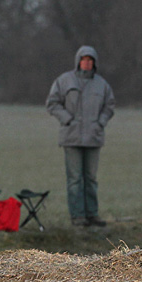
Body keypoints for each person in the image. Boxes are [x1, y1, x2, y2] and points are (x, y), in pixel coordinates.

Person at [46, 45, 116, 227]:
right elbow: (52, 103)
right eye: (84, 59)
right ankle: (77, 216)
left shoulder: (102, 84)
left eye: (90, 60)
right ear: (78, 61)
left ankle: (92, 214)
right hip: (71, 137)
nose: (87, 63)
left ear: (94, 63)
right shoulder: (64, 81)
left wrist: (100, 122)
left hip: (94, 137)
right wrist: (67, 119)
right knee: (75, 179)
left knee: (91, 179)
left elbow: (110, 106)